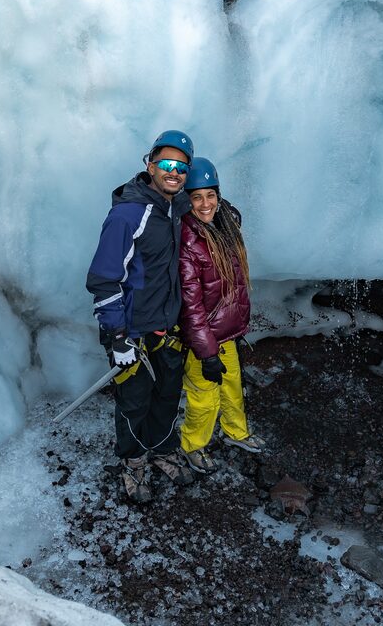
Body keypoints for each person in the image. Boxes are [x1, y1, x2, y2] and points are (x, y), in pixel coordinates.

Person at [86, 130, 197, 503]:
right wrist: (118, 336)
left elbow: (209, 209)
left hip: (165, 326)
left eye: (181, 167)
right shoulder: (128, 215)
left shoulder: (175, 209)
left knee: (166, 395)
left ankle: (162, 449)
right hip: (130, 330)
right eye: (166, 163)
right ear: (150, 166)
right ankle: (133, 462)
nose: (174, 171)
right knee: (134, 401)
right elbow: (104, 278)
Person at [177, 157, 265, 474]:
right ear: (186, 200)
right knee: (204, 397)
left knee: (231, 384)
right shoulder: (188, 242)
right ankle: (192, 445)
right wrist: (206, 353)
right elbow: (190, 307)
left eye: (210, 195)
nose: (205, 204)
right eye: (196, 197)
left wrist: (233, 328)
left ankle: (235, 432)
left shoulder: (223, 225)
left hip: (224, 330)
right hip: (202, 338)